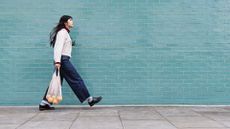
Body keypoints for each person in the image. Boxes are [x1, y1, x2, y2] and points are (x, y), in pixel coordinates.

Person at [39, 15, 102, 111]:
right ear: (65, 22)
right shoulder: (62, 32)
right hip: (63, 61)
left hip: (62, 60)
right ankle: (89, 99)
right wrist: (57, 61)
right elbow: (58, 48)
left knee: (56, 82)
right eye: (70, 20)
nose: (72, 22)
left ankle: (44, 103)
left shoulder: (65, 33)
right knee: (75, 78)